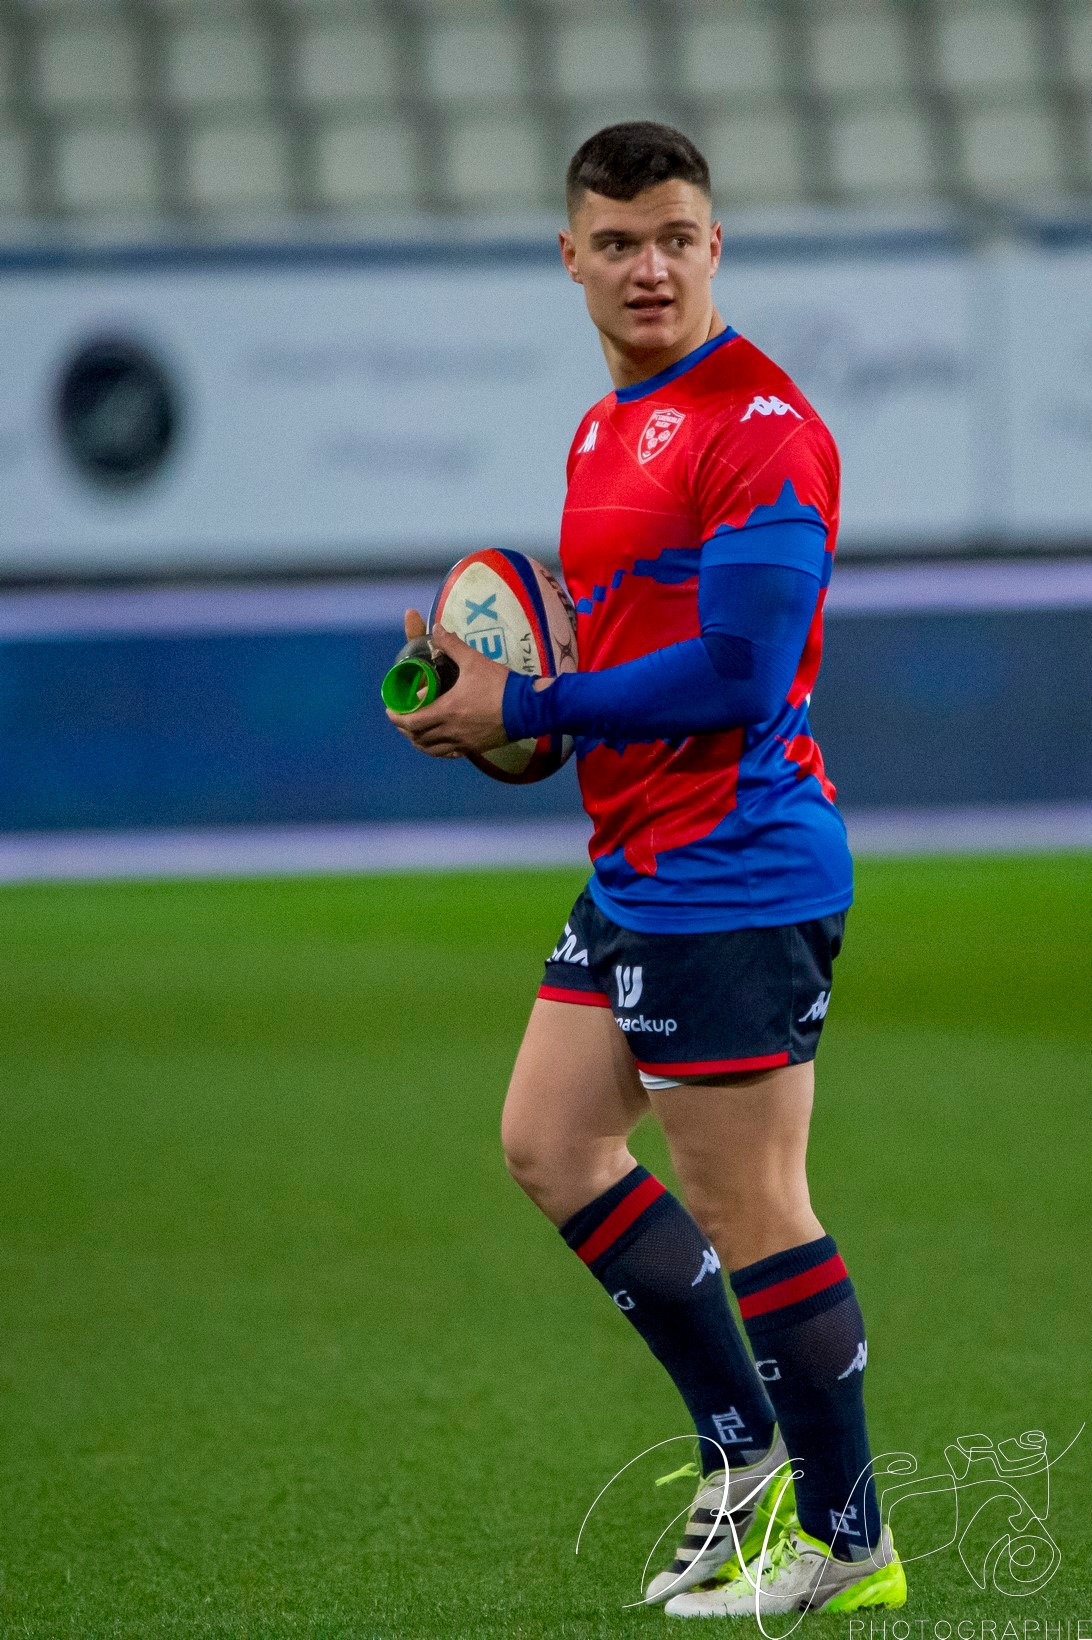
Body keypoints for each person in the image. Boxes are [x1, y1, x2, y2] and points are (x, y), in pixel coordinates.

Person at [387, 122, 906, 1619]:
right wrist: (483, 685)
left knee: (756, 1212)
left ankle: (851, 1536)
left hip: (736, 870)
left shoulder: (760, 426)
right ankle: (742, 1450)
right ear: (572, 257)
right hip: (639, 865)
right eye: (617, 243)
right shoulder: (604, 428)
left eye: (676, 236)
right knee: (551, 1141)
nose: (650, 266)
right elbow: (603, 653)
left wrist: (533, 704)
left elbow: (741, 670)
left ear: (716, 245)